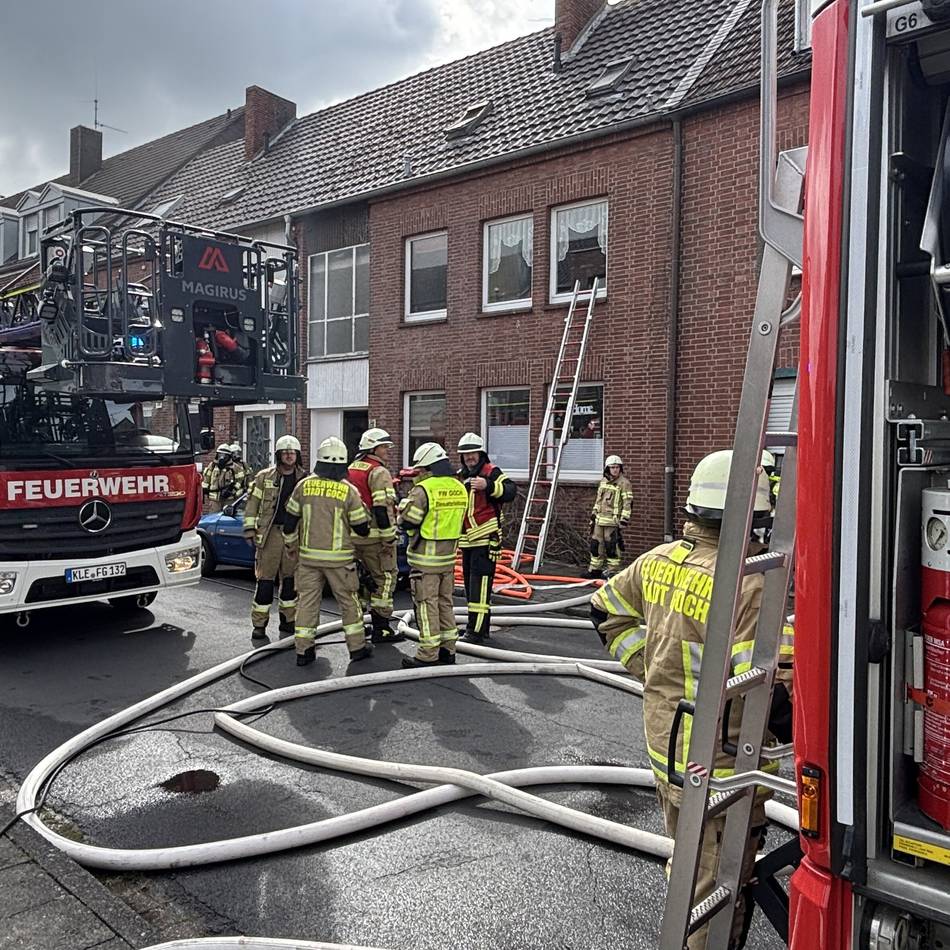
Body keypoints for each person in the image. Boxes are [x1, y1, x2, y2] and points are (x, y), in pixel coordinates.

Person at [589, 449, 794, 949]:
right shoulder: (751, 583)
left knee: (689, 866)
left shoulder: (659, 561)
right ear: (754, 514)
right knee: (713, 891)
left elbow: (604, 610)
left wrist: (649, 668)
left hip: (668, 747)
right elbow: (770, 691)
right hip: (723, 766)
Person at [283, 436, 373, 666]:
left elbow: (289, 521)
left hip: (308, 559)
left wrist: (291, 546)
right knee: (349, 603)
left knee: (306, 603)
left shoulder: (303, 486)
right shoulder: (349, 491)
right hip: (340, 562)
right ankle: (357, 648)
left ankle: (304, 651)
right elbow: (362, 529)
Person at [398, 442, 468, 668]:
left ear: (428, 467)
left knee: (426, 606)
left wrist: (401, 515)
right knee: (445, 603)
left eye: (420, 469)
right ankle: (448, 650)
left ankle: (427, 654)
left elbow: (408, 521)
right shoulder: (459, 487)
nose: (417, 473)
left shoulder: (423, 490)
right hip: (448, 559)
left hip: (425, 560)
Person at [243, 434, 306, 640]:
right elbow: (252, 504)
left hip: (294, 535)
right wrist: (249, 529)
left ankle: (288, 621)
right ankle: (259, 625)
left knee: (290, 581)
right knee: (265, 581)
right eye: (285, 453)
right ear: (278, 455)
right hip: (270, 534)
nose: (289, 456)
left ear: (297, 455)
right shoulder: (264, 477)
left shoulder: (305, 479)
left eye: (292, 453)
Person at [456, 432, 516, 643]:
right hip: (467, 540)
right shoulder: (461, 475)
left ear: (481, 453)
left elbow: (511, 491)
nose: (469, 457)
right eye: (465, 454)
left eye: (473, 453)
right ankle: (478, 628)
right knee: (470, 587)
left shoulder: (491, 472)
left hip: (485, 539)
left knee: (480, 589)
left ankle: (476, 632)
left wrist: (488, 486)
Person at [347, 427, 405, 644]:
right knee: (385, 578)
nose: (388, 451)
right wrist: (389, 538)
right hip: (374, 539)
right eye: (384, 447)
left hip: (352, 537)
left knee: (360, 581)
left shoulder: (351, 468)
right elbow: (381, 509)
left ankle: (359, 626)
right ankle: (382, 629)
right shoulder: (379, 472)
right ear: (372, 449)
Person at [587, 454, 633, 578]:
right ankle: (595, 570)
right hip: (599, 520)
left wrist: (624, 519)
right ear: (607, 468)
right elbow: (598, 500)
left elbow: (628, 503)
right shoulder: (603, 482)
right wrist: (593, 514)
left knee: (611, 547)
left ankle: (613, 572)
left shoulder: (624, 483)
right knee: (596, 545)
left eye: (617, 467)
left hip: (613, 522)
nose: (615, 470)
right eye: (612, 467)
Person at [201, 444, 234, 513]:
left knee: (227, 517)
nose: (222, 457)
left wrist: (231, 490)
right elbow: (206, 479)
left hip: (228, 499)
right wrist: (204, 489)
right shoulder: (212, 466)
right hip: (214, 500)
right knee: (214, 516)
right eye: (220, 454)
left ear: (229, 456)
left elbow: (240, 482)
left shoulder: (234, 467)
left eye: (225, 455)